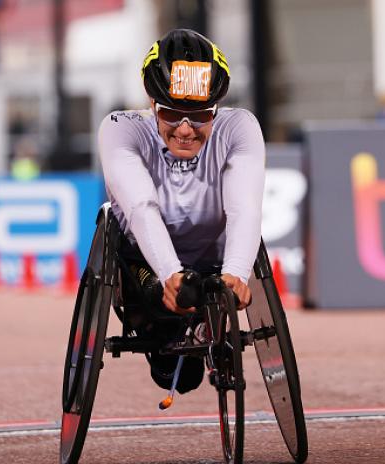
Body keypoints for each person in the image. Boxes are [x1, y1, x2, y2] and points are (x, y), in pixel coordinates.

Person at [98, 29, 265, 394]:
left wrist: (237, 273)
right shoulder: (120, 129)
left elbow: (245, 206)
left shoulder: (240, 127)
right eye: (172, 114)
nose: (186, 129)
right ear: (152, 102)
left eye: (201, 115)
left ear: (216, 109)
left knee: (185, 370)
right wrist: (171, 275)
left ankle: (207, 320)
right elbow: (141, 206)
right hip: (145, 265)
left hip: (214, 263)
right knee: (178, 377)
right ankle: (173, 327)